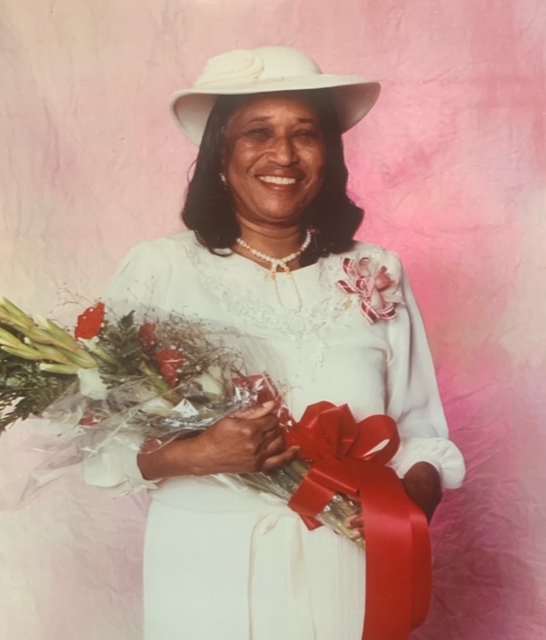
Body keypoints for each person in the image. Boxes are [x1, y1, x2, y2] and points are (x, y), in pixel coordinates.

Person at [92, 46, 466, 640]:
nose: (284, 155)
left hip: (346, 569)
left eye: (305, 134)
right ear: (220, 155)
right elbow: (98, 440)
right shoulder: (160, 269)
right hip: (205, 570)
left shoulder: (376, 272)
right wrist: (198, 455)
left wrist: (404, 505)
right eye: (258, 133)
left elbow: (420, 429)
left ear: (329, 155)